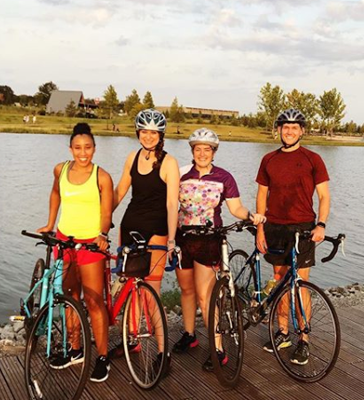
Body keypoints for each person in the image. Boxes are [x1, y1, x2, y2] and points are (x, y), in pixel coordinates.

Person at [172, 128, 266, 372]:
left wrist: (250, 215)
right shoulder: (181, 174)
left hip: (209, 240)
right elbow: (171, 205)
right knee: (186, 289)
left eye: (207, 149)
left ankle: (218, 348)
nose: (202, 153)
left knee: (205, 296)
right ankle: (190, 334)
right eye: (198, 149)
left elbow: (235, 208)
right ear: (192, 151)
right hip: (183, 238)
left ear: (214, 152)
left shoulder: (224, 177)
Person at [37, 123, 113, 382]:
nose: (83, 153)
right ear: (70, 148)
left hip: (91, 245)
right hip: (65, 242)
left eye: (88, 148)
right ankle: (75, 349)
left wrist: (102, 235)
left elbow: (106, 212)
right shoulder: (60, 169)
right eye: (78, 148)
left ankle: (102, 357)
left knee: (93, 301)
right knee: (70, 296)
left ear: (94, 148)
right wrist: (50, 224)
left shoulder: (101, 176)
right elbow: (56, 194)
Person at [255, 108, 330, 366]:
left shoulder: (313, 159)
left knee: (300, 283)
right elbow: (262, 195)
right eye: (285, 127)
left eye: (294, 127)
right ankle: (283, 332)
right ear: (278, 130)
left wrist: (320, 224)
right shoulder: (268, 159)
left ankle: (304, 339)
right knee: (279, 280)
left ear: (302, 131)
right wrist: (261, 228)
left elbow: (324, 196)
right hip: (275, 226)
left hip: (303, 228)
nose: (289, 131)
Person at [110, 109, 179, 367]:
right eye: (144, 131)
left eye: (154, 132)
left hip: (157, 231)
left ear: (161, 135)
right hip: (129, 227)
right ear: (138, 133)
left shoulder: (169, 162)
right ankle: (131, 341)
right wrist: (104, 219)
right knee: (131, 289)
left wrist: (172, 239)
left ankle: (163, 353)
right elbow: (120, 191)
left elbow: (172, 204)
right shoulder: (132, 157)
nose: (148, 136)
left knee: (152, 293)